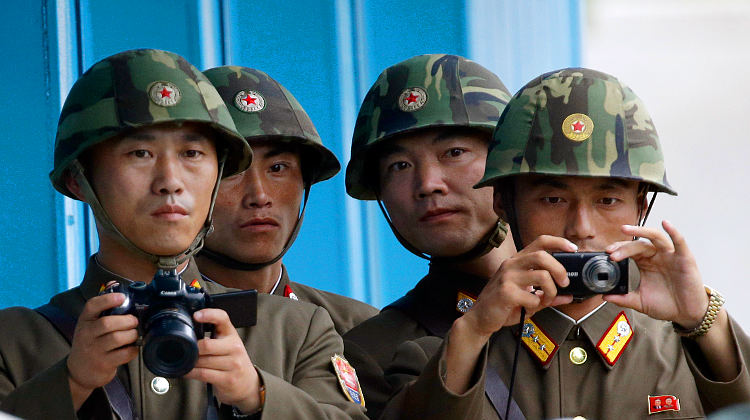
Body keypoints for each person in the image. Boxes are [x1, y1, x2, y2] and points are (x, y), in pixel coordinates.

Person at [0, 49, 367, 420]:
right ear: (77, 180)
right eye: (140, 153)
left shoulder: (296, 330)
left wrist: (257, 394)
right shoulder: (15, 342)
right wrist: (70, 383)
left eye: (192, 153)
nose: (170, 182)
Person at [381, 68, 750, 419]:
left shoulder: (694, 351)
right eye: (552, 200)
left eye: (608, 200)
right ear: (502, 203)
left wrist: (703, 319)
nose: (581, 228)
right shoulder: (444, 357)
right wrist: (475, 330)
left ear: (641, 206)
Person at [341, 53, 517, 418]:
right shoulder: (371, 352)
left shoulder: (596, 309)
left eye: (454, 152)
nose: (428, 184)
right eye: (400, 166)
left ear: (507, 163)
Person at [196, 66, 378, 336]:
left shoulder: (359, 330)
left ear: (305, 181)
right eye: (231, 172)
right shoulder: (142, 325)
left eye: (278, 168)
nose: (259, 197)